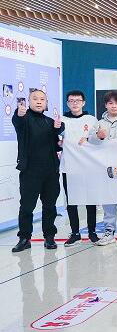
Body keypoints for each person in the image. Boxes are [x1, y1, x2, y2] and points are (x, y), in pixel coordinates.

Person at [11, 90, 64, 253]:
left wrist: (59, 139)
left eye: (42, 99)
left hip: (50, 171)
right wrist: (18, 113)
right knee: (27, 206)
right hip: (30, 171)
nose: (39, 101)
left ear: (46, 103)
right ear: (29, 101)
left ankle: (49, 237)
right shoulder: (24, 118)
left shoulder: (50, 122)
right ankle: (24, 238)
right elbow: (17, 120)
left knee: (50, 206)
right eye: (35, 99)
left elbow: (56, 146)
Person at [89, 91, 117, 246]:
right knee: (108, 198)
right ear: (106, 105)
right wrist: (98, 136)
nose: (114, 106)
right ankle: (109, 231)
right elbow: (90, 141)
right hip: (105, 167)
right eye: (110, 103)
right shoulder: (99, 123)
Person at [60, 90, 99, 246]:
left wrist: (89, 139)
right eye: (71, 101)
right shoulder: (62, 120)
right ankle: (75, 233)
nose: (75, 103)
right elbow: (56, 139)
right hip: (69, 166)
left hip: (88, 166)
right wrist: (59, 143)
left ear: (83, 102)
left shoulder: (92, 120)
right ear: (67, 103)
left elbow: (98, 140)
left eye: (78, 100)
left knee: (91, 199)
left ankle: (92, 232)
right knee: (71, 201)